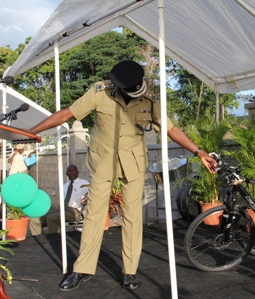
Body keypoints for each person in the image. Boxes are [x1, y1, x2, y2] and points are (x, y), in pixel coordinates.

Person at [26, 60, 217, 292]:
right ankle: (82, 269)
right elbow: (67, 114)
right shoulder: (100, 92)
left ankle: (129, 271)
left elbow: (171, 130)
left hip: (133, 165)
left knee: (133, 217)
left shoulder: (149, 102)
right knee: (94, 215)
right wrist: (31, 131)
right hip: (103, 163)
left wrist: (199, 152)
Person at [29, 164, 89, 236]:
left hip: (75, 211)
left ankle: (54, 239)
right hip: (62, 210)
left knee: (51, 218)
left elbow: (90, 196)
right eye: (69, 171)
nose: (72, 173)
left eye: (74, 171)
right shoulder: (65, 186)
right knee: (35, 219)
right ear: (67, 174)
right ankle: (40, 238)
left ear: (77, 172)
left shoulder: (84, 184)